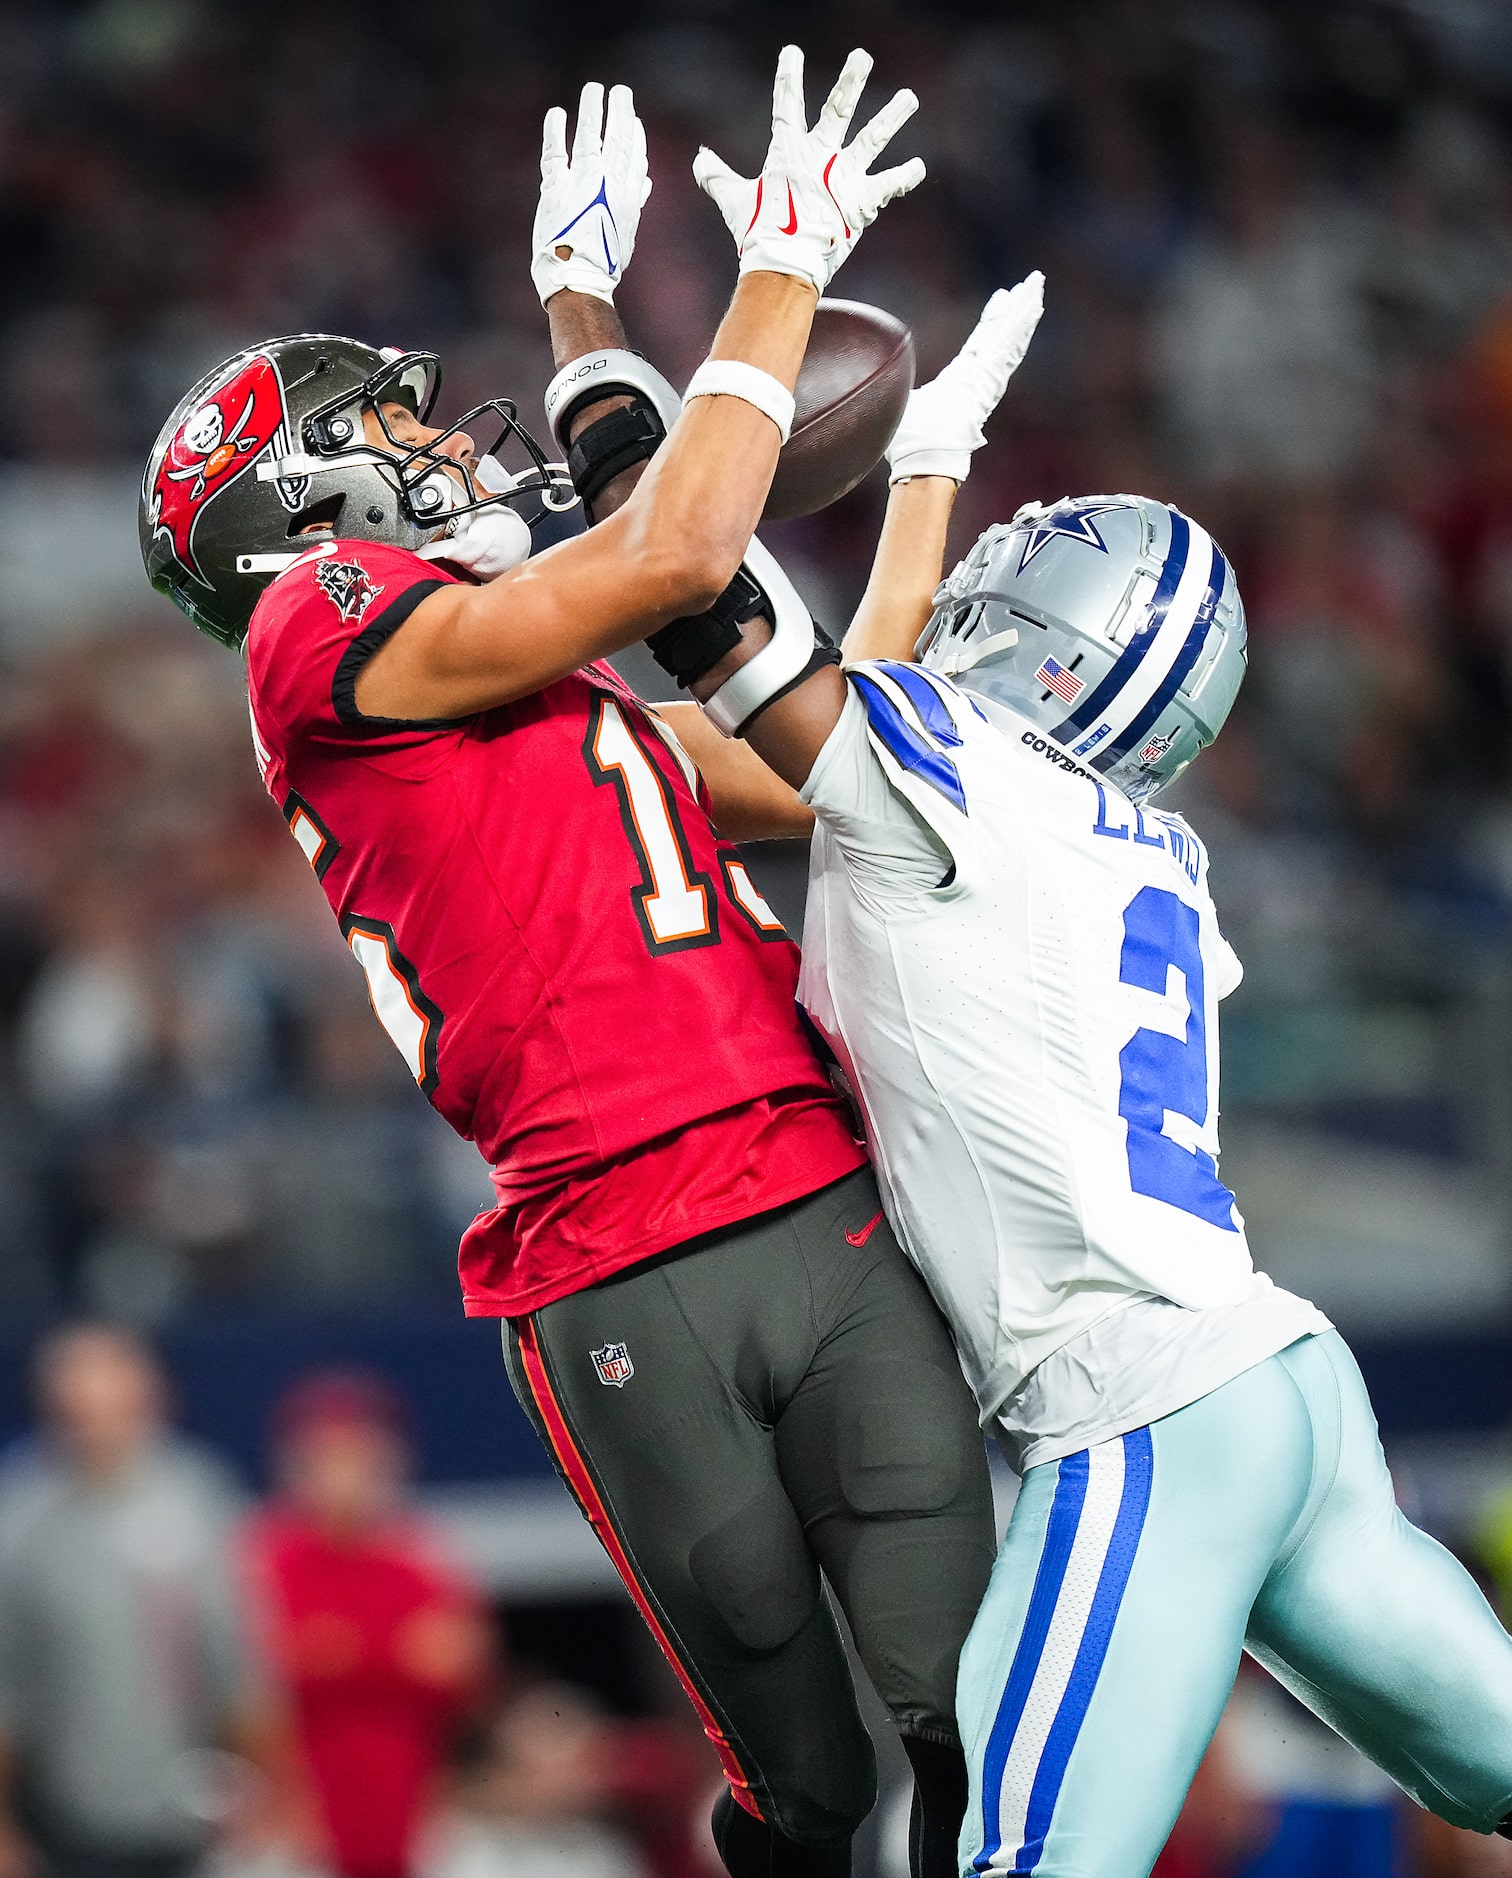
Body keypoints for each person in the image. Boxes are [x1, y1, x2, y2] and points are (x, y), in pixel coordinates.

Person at [137, 50, 997, 1878]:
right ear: (298, 500)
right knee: (811, 1797)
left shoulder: (521, 677)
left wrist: (920, 480)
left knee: (978, 1731)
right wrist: (761, 270)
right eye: (385, 422)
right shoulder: (319, 623)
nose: (442, 430)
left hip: (813, 1198)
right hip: (622, 1253)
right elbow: (672, 538)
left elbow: (832, 758)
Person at [645, 283, 1512, 1874]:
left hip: (1142, 1413)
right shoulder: (1134, 840)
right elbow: (796, 757)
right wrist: (923, 474)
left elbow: (715, 630)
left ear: (1047, 639)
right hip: (1286, 1379)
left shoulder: (957, 779)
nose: (984, 570)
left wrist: (644, 401)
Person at [0, 1325, 283, 1878]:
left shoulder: (200, 1494)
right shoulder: (23, 1519)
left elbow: (242, 1662)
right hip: (63, 1818)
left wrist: (268, 1789)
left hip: (198, 1808)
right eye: (79, 1399)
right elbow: (7, 1688)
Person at [242, 1371, 492, 1878]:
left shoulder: (419, 1559)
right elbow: (250, 1686)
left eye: (360, 1459)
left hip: (410, 1801)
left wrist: (341, 1653)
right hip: (298, 1810)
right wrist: (390, 1655)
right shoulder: (264, 1558)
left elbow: (462, 1670)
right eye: (330, 1459)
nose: (346, 1475)